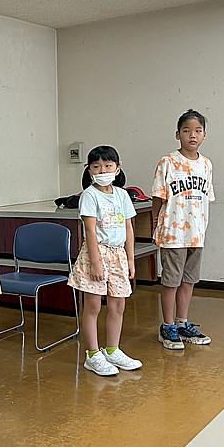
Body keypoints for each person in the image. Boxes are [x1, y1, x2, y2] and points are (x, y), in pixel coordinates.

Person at [68, 145, 143, 376]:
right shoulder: (90, 195)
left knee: (118, 304)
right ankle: (92, 355)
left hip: (118, 254)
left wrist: (130, 260)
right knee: (92, 305)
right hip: (96, 253)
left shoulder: (122, 195)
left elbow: (129, 228)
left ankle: (112, 350)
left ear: (117, 169)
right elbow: (90, 231)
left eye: (108, 166)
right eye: (97, 166)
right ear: (89, 170)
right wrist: (96, 262)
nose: (102, 170)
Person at [151, 109, 215, 351]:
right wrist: (156, 223)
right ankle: (167, 326)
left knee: (189, 280)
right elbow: (158, 196)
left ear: (204, 135)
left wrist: (201, 228)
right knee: (171, 281)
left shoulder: (206, 164)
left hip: (196, 235)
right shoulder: (168, 162)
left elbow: (206, 198)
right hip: (173, 233)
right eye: (187, 130)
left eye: (198, 131)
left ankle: (182, 322)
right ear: (177, 134)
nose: (192, 135)